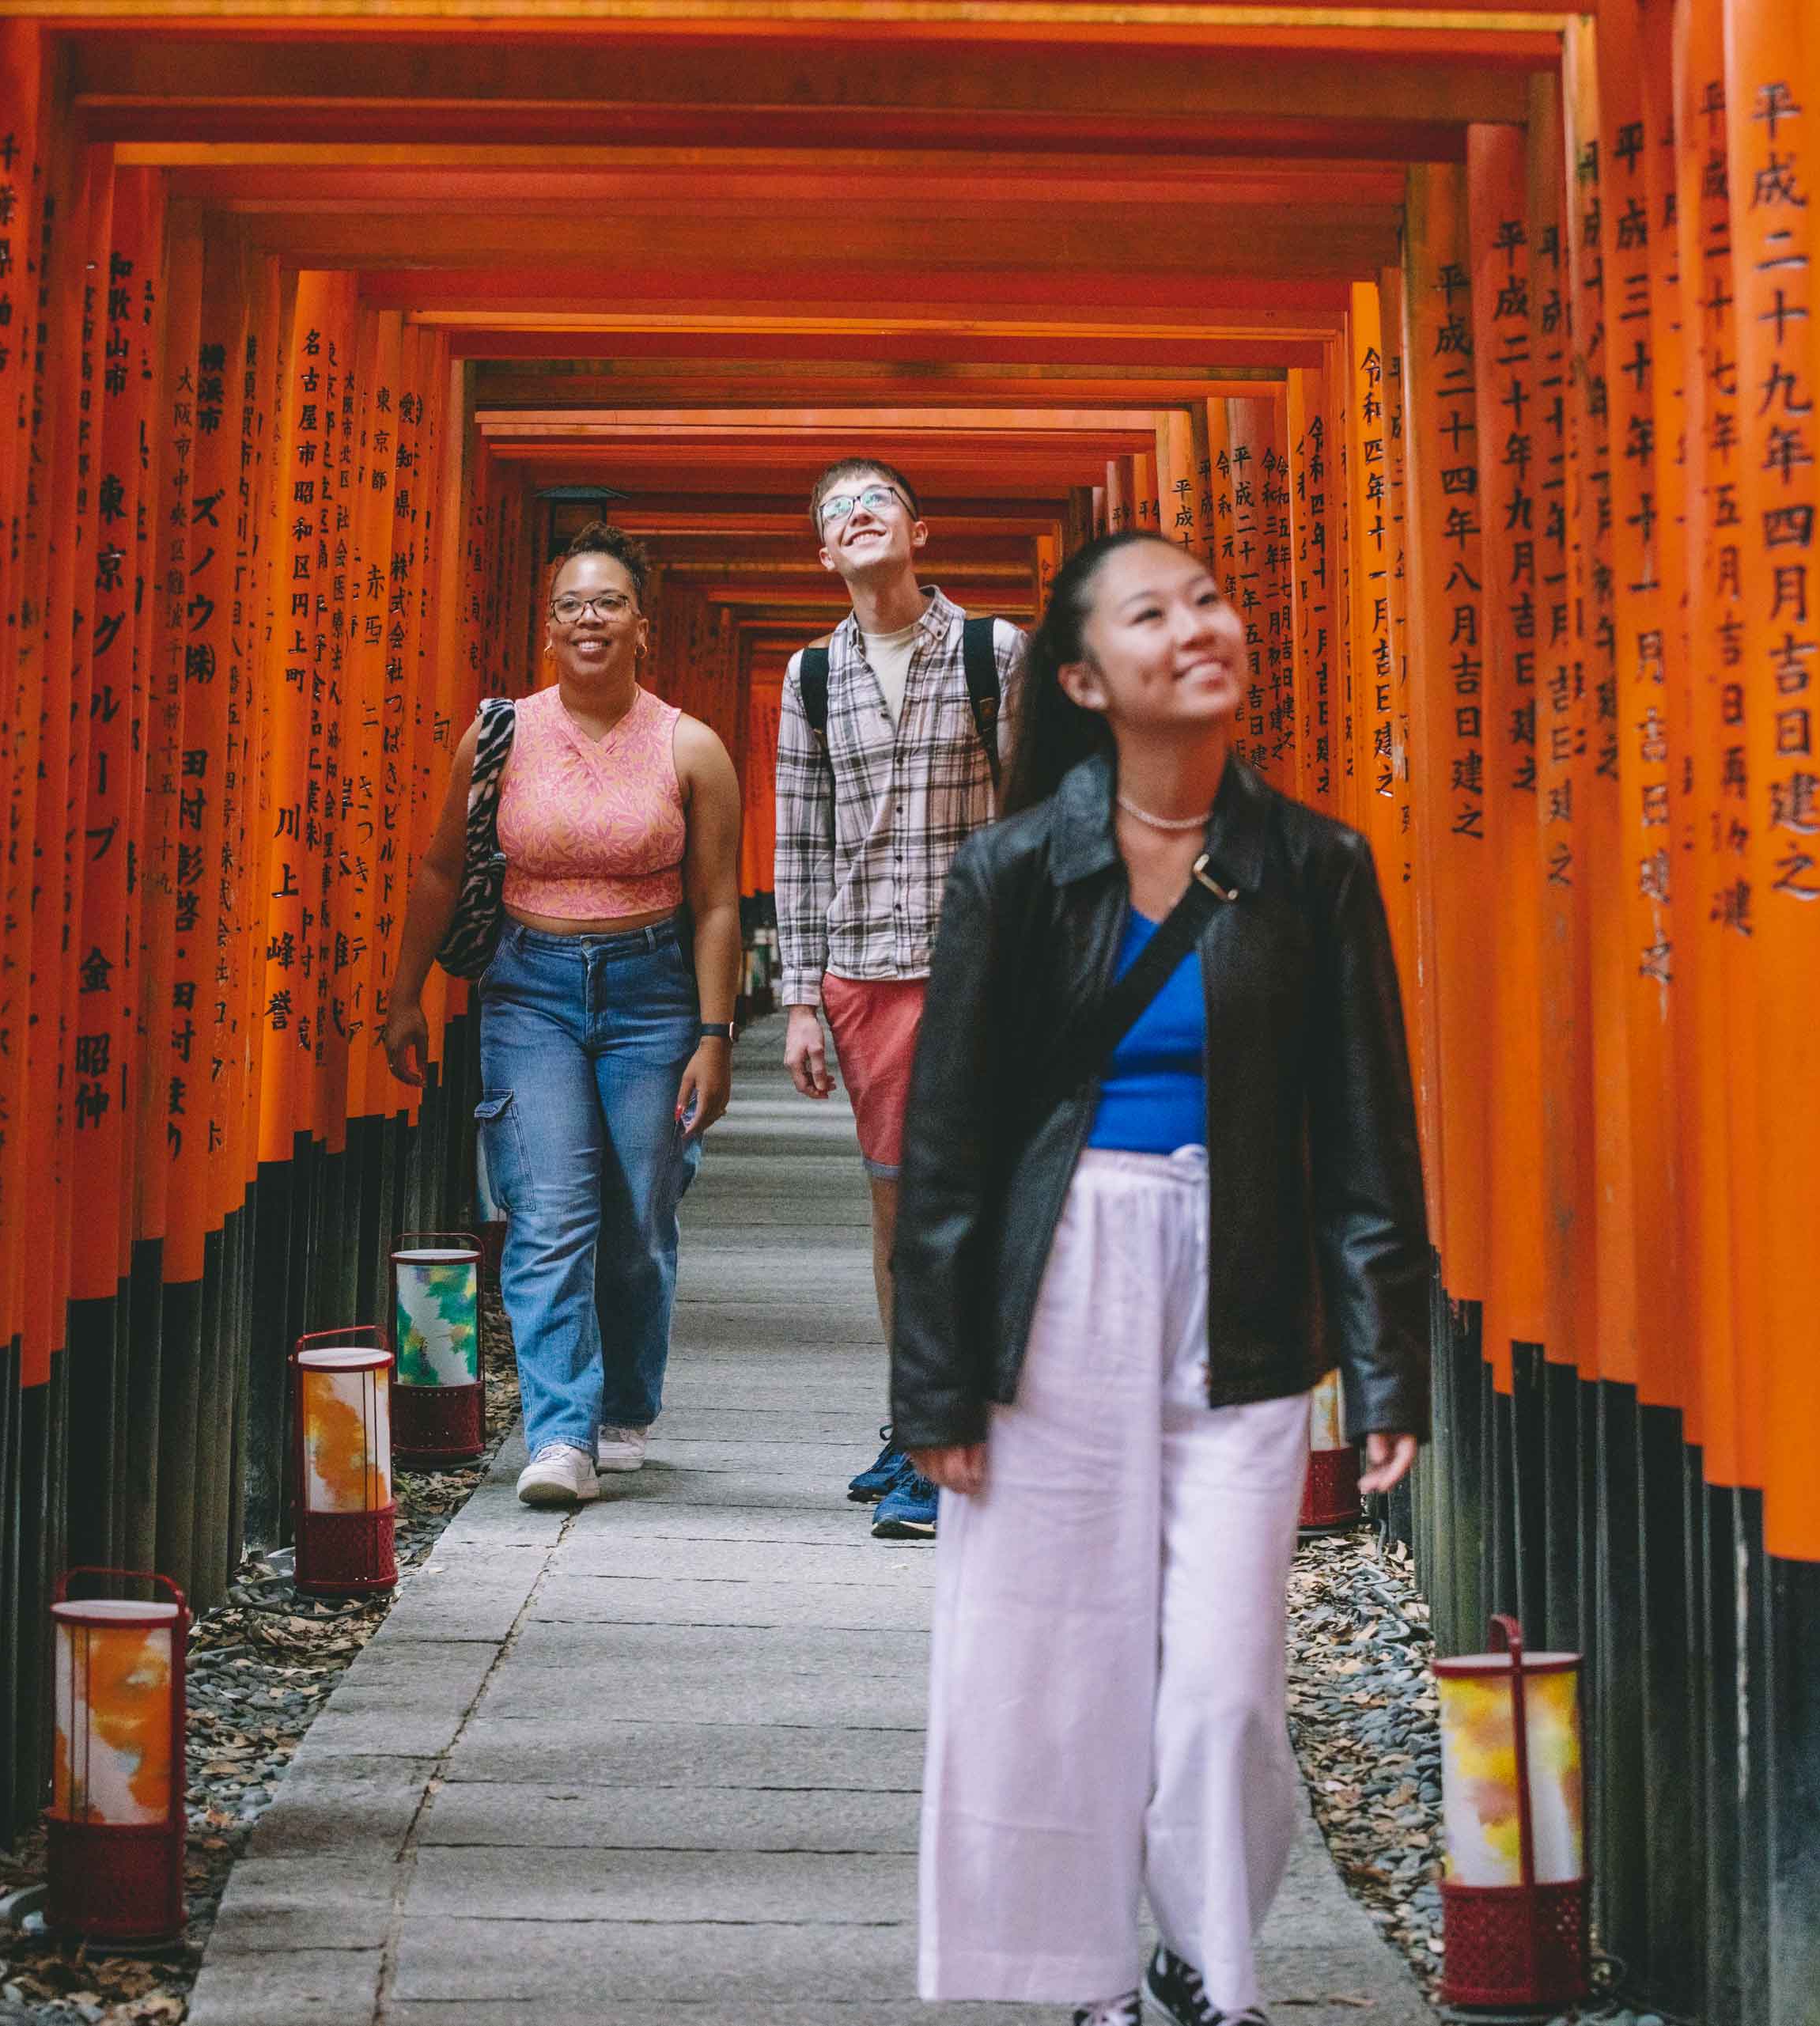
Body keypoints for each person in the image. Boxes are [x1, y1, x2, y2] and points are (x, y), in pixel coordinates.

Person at [888, 530, 1432, 2026]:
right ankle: (1082, 1978)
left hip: (1242, 1283)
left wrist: (1388, 1360)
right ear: (1084, 676)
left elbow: (1369, 1130)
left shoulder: (1313, 866)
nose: (1199, 626)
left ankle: (1208, 1948)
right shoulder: (1011, 871)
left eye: (1209, 599)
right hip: (1058, 1279)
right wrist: (937, 1384)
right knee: (1051, 1651)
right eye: (1153, 612)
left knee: (1226, 1679)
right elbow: (948, 1151)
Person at [381, 522, 744, 1509]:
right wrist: (404, 991)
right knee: (547, 1215)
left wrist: (715, 1035)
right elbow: (441, 867)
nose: (589, 619)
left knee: (637, 1218)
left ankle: (625, 1400)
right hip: (528, 986)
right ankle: (559, 1433)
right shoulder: (500, 732)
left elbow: (717, 903)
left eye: (608, 602)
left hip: (654, 992)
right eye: (571, 605)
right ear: (548, 629)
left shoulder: (690, 745)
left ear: (642, 628)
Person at [771, 457, 1025, 1541]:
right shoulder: (811, 676)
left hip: (975, 969)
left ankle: (953, 1436)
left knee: (952, 1208)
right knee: (892, 1210)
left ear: (921, 529)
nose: (857, 514)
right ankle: (912, 1414)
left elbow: (1042, 811)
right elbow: (800, 838)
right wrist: (794, 999)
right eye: (835, 510)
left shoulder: (992, 652)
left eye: (876, 500)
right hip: (862, 970)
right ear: (823, 554)